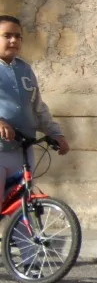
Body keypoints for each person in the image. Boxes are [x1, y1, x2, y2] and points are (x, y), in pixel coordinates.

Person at [0, 14, 68, 186]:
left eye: (18, 36)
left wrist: (55, 133)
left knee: (24, 198)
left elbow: (37, 106)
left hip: (23, 149)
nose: (14, 40)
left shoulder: (25, 69)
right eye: (7, 36)